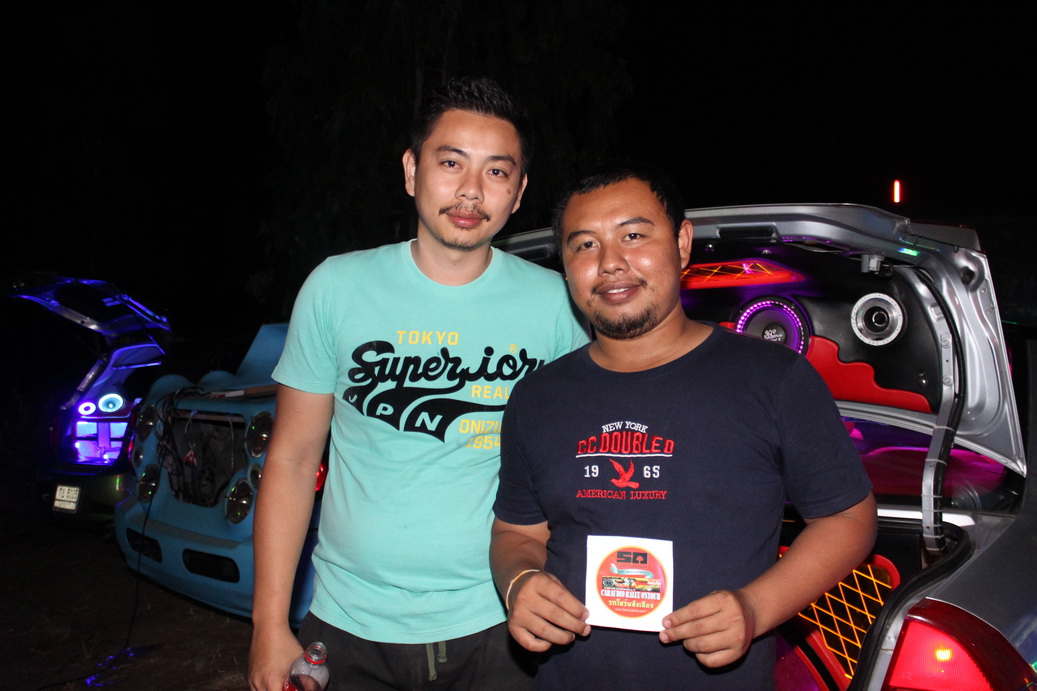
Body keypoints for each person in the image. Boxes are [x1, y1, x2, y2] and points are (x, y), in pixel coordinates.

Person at [249, 77, 588, 691]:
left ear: (518, 193)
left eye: (496, 171)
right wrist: (268, 625)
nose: (471, 191)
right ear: (411, 170)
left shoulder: (558, 306)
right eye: (451, 162)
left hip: (501, 621)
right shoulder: (335, 288)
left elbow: (581, 463)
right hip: (347, 621)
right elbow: (293, 459)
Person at [491, 163, 877, 689]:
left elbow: (849, 519)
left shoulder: (773, 379)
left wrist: (754, 608)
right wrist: (519, 582)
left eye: (633, 235)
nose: (610, 262)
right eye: (584, 245)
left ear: (682, 243)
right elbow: (516, 532)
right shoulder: (536, 397)